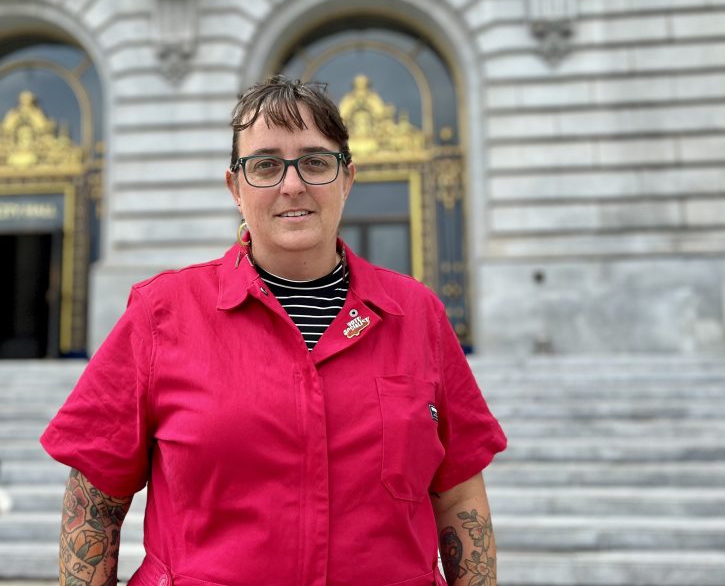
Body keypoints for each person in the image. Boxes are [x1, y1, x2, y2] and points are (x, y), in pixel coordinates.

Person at [41, 75, 507, 586]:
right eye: (265, 165)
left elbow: (460, 498)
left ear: (347, 179)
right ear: (235, 188)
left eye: (315, 162)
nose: (292, 185)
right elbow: (94, 503)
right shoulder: (161, 314)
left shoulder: (417, 316)